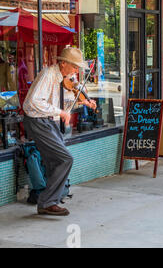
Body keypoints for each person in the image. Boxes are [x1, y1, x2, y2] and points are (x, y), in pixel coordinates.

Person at [22, 47, 96, 216]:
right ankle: (47, 201)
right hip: (38, 121)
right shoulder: (48, 75)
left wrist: (85, 103)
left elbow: (63, 101)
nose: (76, 71)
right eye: (74, 66)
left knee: (55, 161)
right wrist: (60, 112)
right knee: (65, 158)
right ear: (63, 63)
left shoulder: (61, 78)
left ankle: (50, 200)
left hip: (48, 121)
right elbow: (34, 101)